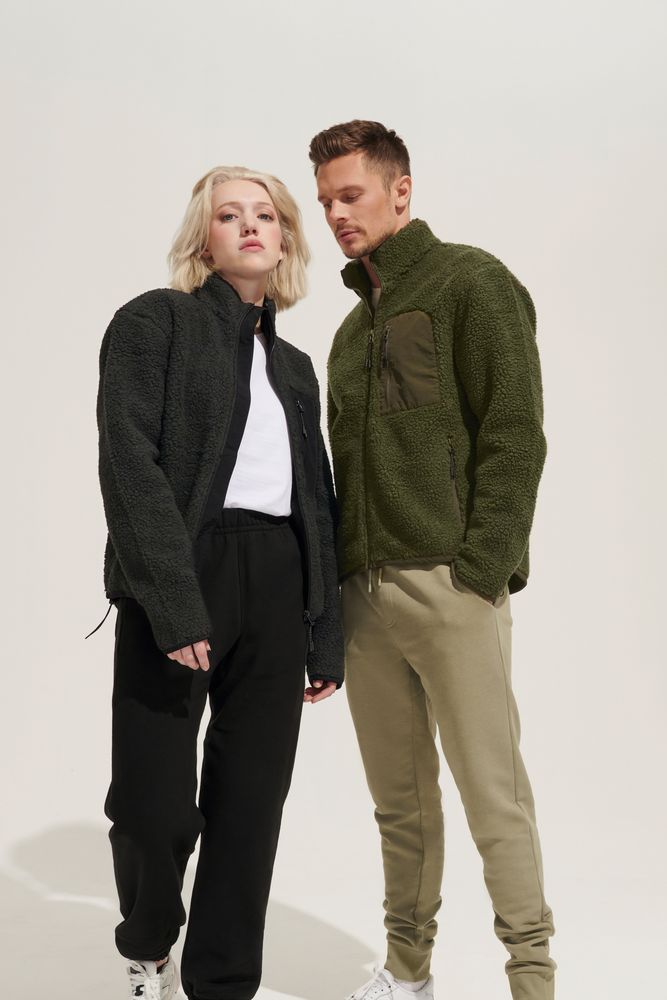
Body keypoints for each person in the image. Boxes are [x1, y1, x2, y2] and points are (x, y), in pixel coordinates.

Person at [308, 120, 556, 1000]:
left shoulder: (470, 282)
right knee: (400, 806)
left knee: (493, 794)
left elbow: (515, 432)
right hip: (364, 598)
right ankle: (408, 971)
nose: (336, 214)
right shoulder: (347, 336)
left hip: (450, 588)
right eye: (325, 200)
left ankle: (531, 976)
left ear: (400, 190)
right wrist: (333, 599)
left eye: (351, 194)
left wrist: (481, 569)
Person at [95, 165, 343, 1000]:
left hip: (277, 580)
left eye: (264, 214)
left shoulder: (295, 366)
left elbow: (317, 499)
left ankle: (224, 984)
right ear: (203, 237)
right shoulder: (153, 322)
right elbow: (129, 463)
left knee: (250, 803)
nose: (249, 226)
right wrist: (172, 602)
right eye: (228, 214)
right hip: (179, 569)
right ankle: (148, 944)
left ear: (284, 237)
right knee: (152, 801)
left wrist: (324, 631)